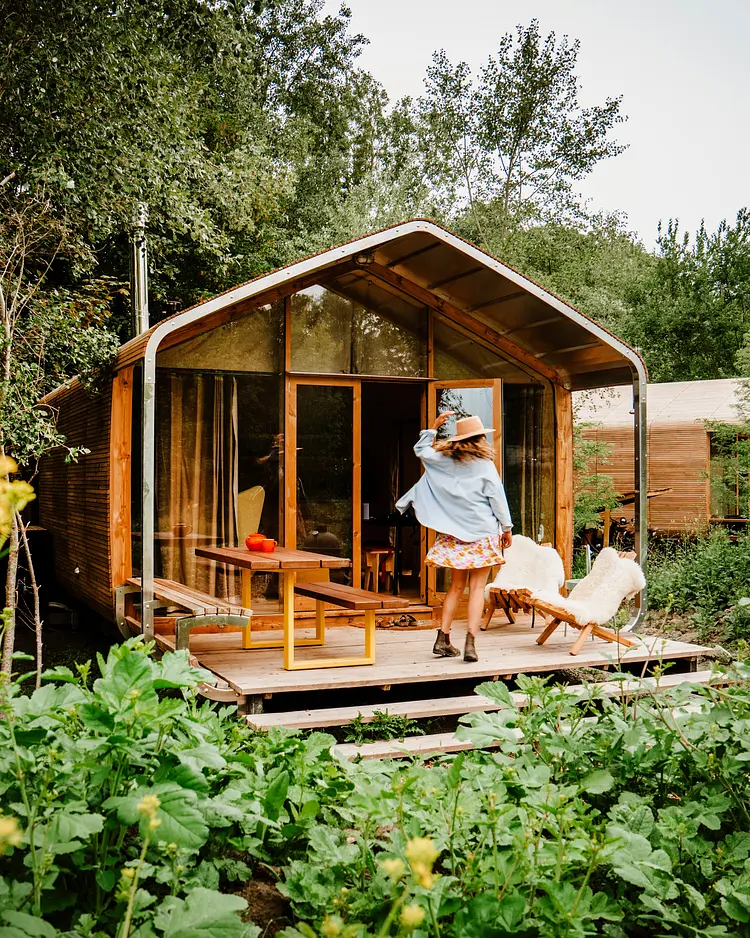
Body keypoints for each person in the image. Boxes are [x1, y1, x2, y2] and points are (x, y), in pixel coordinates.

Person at [396, 412, 513, 662]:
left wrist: (434, 427)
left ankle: (442, 639)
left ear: (458, 439)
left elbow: (421, 449)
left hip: (454, 536)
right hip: (483, 534)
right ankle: (470, 644)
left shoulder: (441, 460)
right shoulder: (484, 466)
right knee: (478, 587)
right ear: (480, 438)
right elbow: (497, 500)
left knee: (455, 587)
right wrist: (507, 528)